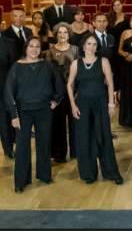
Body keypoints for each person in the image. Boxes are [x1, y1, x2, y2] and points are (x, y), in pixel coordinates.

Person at [3, 36, 65, 192]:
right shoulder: (17, 67)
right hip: (23, 112)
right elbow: (8, 92)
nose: (34, 49)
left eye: (37, 46)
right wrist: (14, 115)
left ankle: (45, 176)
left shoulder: (48, 65)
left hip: (44, 110)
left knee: (44, 143)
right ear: (26, 48)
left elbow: (59, 84)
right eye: (31, 46)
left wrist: (56, 100)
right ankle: (21, 182)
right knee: (22, 146)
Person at [67, 33, 123, 185]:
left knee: (103, 136)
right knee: (84, 138)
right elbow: (69, 85)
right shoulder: (75, 64)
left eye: (94, 44)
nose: (91, 47)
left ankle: (111, 172)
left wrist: (111, 103)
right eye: (89, 44)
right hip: (82, 105)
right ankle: (88, 174)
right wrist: (73, 105)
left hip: (100, 104)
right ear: (83, 46)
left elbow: (110, 83)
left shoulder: (103, 61)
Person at [44, 23, 79, 163]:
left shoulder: (75, 49)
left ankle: (77, 151)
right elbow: (46, 75)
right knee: (58, 124)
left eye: (65, 32)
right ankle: (59, 154)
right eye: (60, 32)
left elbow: (80, 71)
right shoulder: (49, 52)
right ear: (56, 34)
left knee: (75, 122)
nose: (62, 35)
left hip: (73, 91)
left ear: (69, 34)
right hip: (56, 93)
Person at [92, 13, 118, 97]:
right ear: (94, 23)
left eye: (104, 21)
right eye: (99, 21)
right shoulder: (88, 38)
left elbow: (114, 58)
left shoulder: (112, 38)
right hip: (94, 76)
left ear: (107, 23)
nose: (102, 23)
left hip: (110, 76)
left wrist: (110, 73)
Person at [0, 33, 16, 159]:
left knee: (6, 118)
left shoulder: (10, 42)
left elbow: (14, 67)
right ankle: (8, 148)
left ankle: (9, 148)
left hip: (6, 87)